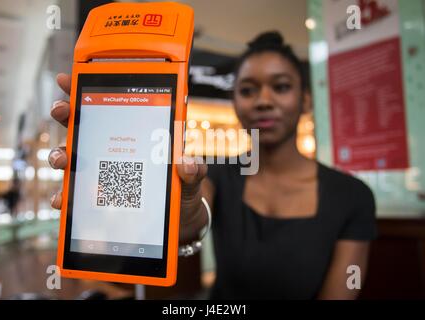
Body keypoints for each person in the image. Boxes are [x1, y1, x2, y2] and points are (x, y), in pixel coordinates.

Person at [48, 31, 377, 300]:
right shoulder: (220, 172)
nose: (263, 100)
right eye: (248, 90)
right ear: (235, 104)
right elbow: (193, 220)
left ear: (305, 100)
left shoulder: (352, 195)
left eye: (281, 87)